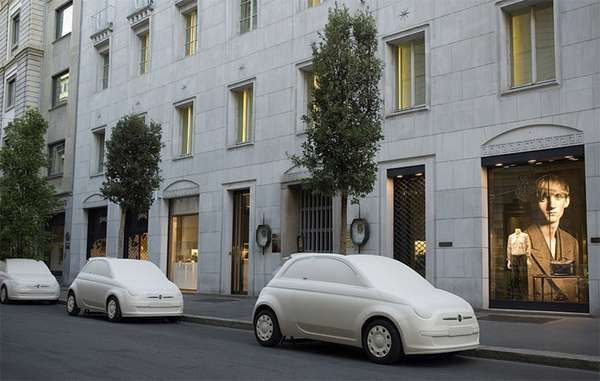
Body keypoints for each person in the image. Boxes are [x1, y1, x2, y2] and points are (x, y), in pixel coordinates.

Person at [525, 175, 579, 302]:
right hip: (537, 310)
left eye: (558, 197)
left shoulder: (571, 242)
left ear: (567, 201)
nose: (552, 205)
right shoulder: (524, 240)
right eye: (544, 198)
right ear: (535, 202)